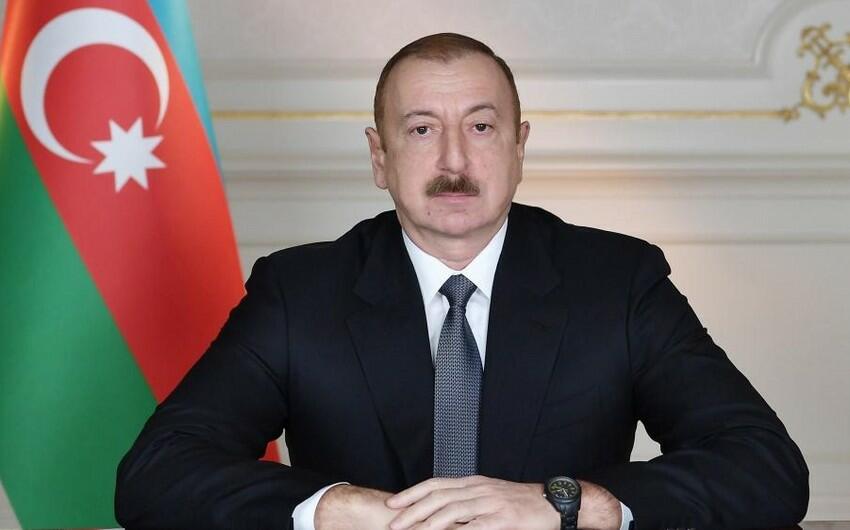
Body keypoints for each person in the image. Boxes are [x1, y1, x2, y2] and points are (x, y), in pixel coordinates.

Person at [115, 33, 809, 529]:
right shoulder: (299, 292)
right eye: (421, 130)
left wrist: (569, 504)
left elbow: (766, 469)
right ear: (379, 156)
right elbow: (155, 474)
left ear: (519, 147)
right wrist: (333, 508)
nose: (454, 161)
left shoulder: (619, 282)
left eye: (480, 126)